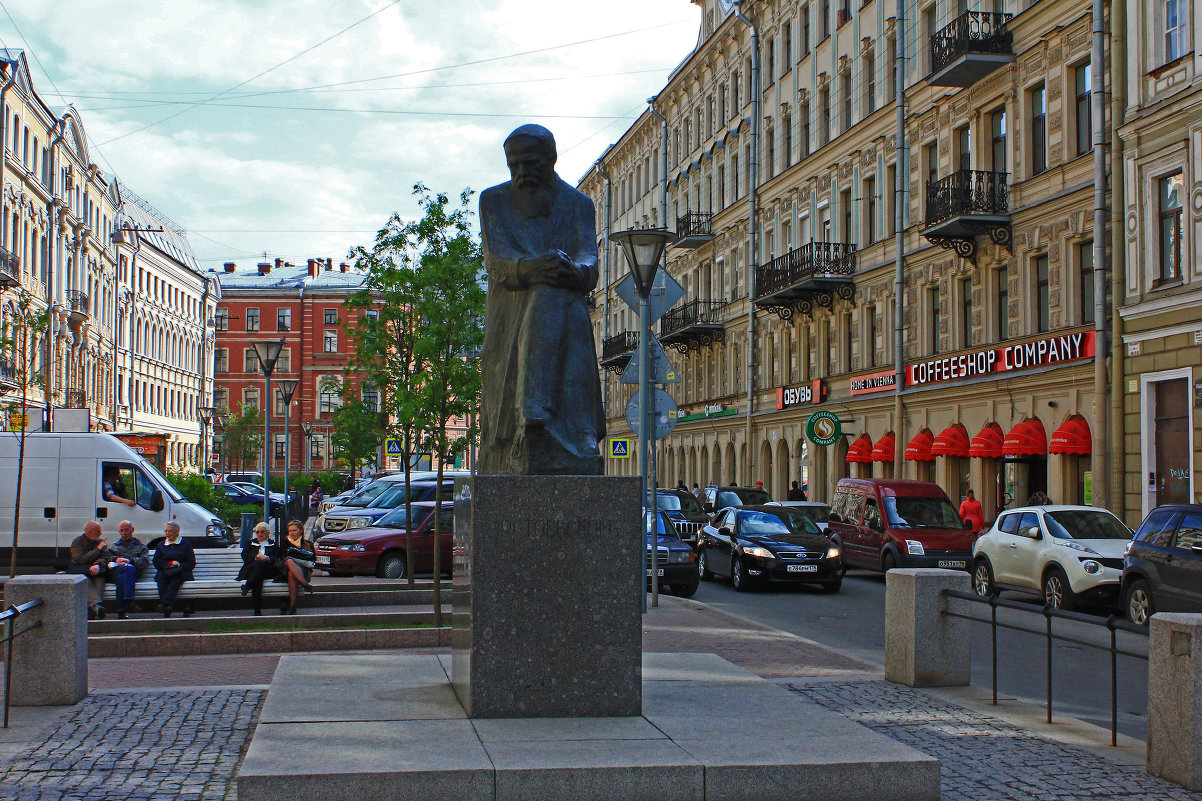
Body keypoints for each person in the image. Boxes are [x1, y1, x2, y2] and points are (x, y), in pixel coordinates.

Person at [477, 124, 605, 476]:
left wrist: (571, 271)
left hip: (564, 315)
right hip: (510, 318)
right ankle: (536, 414)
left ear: (551, 160)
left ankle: (538, 413)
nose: (522, 173)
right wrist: (532, 269)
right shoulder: (493, 200)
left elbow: (589, 262)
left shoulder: (578, 204)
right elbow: (496, 261)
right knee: (546, 289)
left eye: (530, 164)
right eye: (514, 165)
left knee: (551, 290)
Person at [106, 520, 150, 618]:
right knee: (125, 571)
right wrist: (116, 559)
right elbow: (106, 557)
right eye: (121, 531)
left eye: (126, 530)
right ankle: (130, 600)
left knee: (126, 574)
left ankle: (122, 611)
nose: (124, 533)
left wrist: (130, 561)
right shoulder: (114, 546)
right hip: (116, 571)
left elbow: (145, 561)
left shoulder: (140, 546)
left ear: (132, 530)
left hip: (132, 574)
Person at [153, 521, 195, 618]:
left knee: (176, 578)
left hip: (182, 572)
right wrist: (169, 564)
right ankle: (168, 606)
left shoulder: (186, 544)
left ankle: (165, 604)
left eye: (170, 531)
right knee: (161, 578)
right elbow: (156, 562)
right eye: (166, 531)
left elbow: (191, 563)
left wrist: (179, 565)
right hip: (165, 571)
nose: (167, 533)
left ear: (177, 532)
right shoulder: (161, 545)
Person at [69, 521, 109, 619]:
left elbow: (105, 557)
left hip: (96, 572)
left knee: (100, 579)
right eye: (98, 531)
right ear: (89, 532)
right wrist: (98, 549)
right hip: (83, 572)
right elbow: (81, 560)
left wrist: (97, 565)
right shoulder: (77, 542)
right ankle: (97, 606)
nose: (100, 533)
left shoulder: (99, 542)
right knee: (84, 581)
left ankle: (93, 609)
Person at [278, 520, 316, 615]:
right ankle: (293, 604)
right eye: (290, 531)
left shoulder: (307, 544)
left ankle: (293, 605)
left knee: (291, 564)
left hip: (304, 571)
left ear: (301, 531)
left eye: (294, 530)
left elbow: (312, 558)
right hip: (285, 572)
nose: (292, 533)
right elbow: (282, 557)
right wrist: (299, 555)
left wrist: (293, 555)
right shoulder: (284, 543)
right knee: (290, 566)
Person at [238, 522, 277, 616]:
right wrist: (256, 556)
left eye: (262, 532)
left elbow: (277, 558)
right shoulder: (250, 543)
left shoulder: (273, 544)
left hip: (268, 570)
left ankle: (248, 585)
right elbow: (245, 556)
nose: (259, 534)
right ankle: (257, 610)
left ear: (267, 533)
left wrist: (267, 558)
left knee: (260, 566)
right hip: (252, 570)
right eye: (257, 532)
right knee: (258, 576)